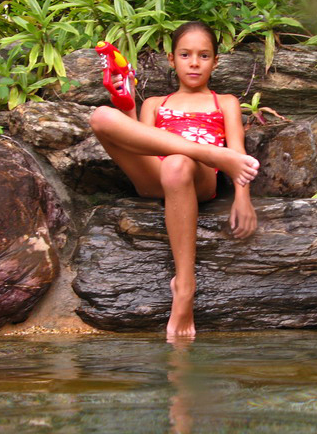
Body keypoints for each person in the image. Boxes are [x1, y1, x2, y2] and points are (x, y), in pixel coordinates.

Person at [89, 21, 259, 339]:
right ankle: (207, 153)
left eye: (204, 55)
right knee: (100, 116)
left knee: (179, 163)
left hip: (198, 181)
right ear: (171, 59)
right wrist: (126, 103)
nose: (194, 62)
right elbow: (139, 143)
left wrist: (242, 198)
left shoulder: (225, 102)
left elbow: (238, 155)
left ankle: (184, 287)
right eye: (185, 54)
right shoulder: (155, 104)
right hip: (157, 176)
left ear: (215, 61)